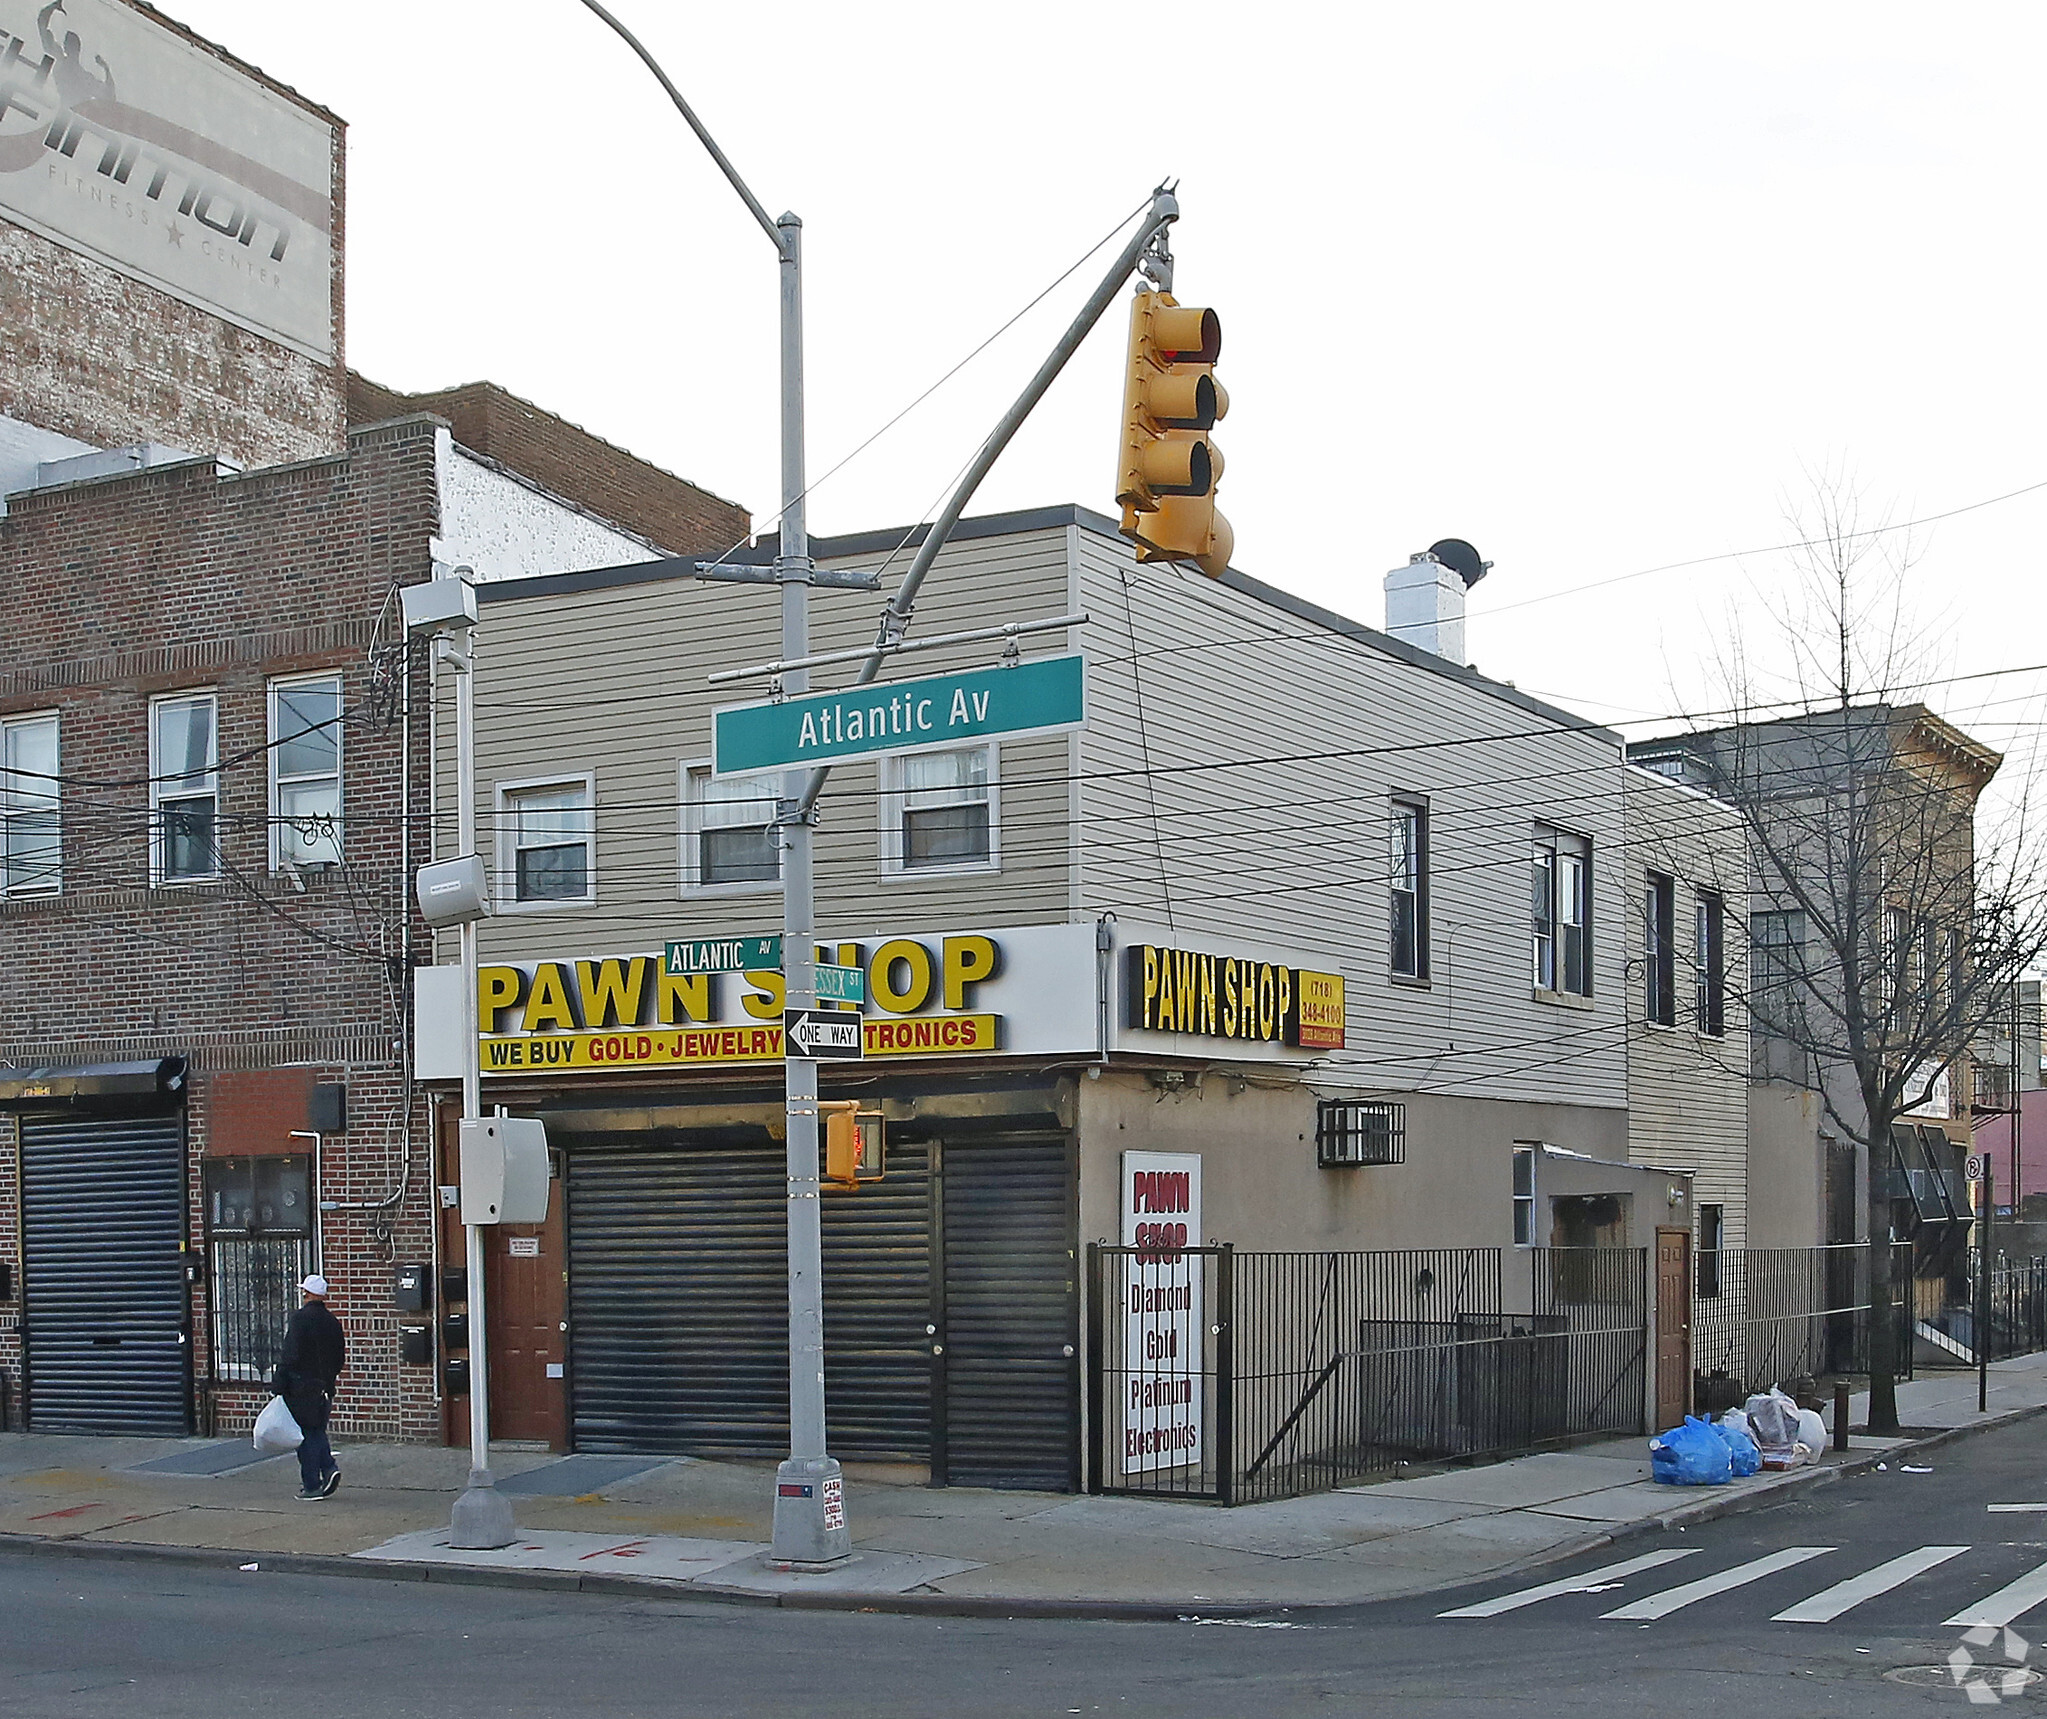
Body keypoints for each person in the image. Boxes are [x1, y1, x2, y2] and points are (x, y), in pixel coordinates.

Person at [272, 1274, 345, 1500]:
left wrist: (279, 1383)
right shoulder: (332, 1322)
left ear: (308, 1294)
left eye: (304, 1291)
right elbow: (339, 1358)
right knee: (316, 1432)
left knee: (304, 1437)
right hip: (324, 1388)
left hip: (301, 1388)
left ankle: (312, 1485)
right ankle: (329, 1469)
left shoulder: (300, 1320)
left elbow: (290, 1354)